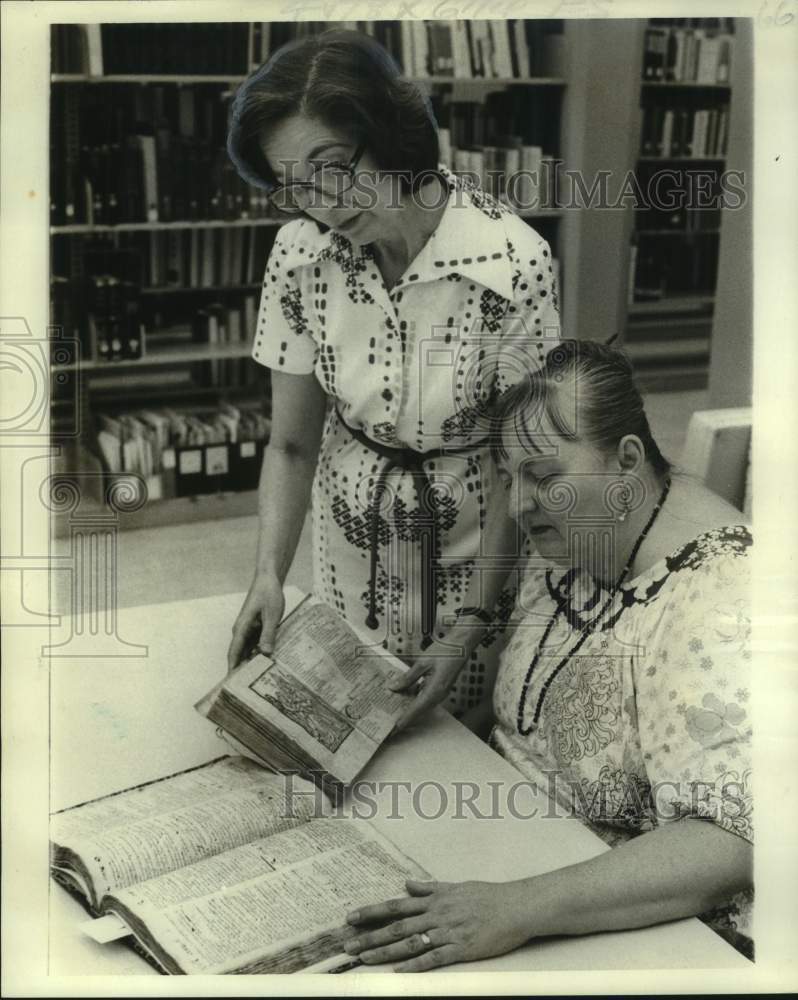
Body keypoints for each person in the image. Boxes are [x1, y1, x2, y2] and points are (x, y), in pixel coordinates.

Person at [343, 340, 753, 969]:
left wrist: (514, 908)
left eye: (544, 475)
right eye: (509, 478)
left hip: (622, 920)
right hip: (508, 847)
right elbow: (528, 707)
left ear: (628, 460)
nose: (518, 506)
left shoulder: (722, 599)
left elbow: (730, 843)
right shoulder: (583, 534)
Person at [225, 29, 560, 723]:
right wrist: (268, 576)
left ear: (391, 133)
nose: (322, 203)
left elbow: (514, 466)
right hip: (349, 555)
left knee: (457, 743)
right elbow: (290, 446)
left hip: (475, 563)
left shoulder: (513, 262)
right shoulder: (298, 255)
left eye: (334, 166)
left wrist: (470, 629)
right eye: (294, 185)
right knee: (349, 737)